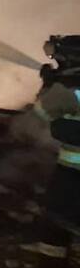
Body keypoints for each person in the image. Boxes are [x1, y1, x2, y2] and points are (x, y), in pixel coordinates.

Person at [37, 35, 80, 235]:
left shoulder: (68, 89)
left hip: (71, 175)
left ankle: (51, 263)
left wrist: (47, 84)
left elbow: (41, 113)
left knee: (56, 221)